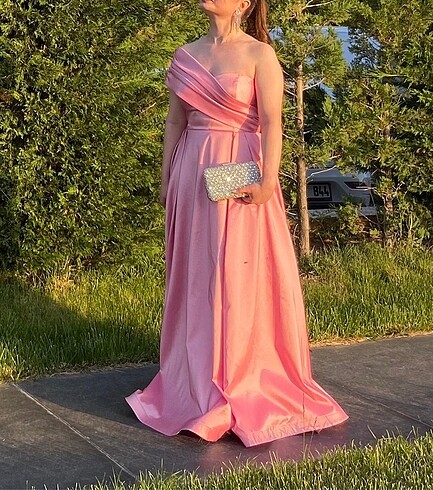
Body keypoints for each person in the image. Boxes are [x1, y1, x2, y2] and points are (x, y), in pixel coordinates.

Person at [126, 0, 348, 447]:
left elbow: (272, 122)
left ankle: (247, 377)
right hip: (193, 173)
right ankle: (197, 378)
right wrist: (167, 179)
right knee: (198, 275)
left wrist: (268, 181)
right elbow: (175, 121)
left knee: (240, 275)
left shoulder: (260, 54)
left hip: (242, 175)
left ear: (244, 3)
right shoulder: (185, 54)